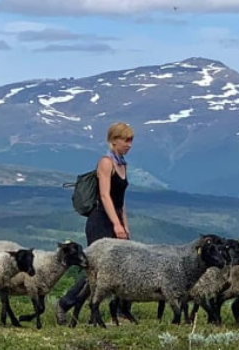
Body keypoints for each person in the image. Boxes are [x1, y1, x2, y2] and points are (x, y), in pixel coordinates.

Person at [56, 122, 134, 325]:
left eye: (130, 140)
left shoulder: (123, 164)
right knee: (96, 268)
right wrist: (116, 225)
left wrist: (125, 225)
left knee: (118, 267)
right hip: (100, 220)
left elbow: (120, 201)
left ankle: (112, 311)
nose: (129, 144)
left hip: (114, 217)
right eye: (125, 140)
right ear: (114, 140)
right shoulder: (106, 163)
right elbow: (105, 195)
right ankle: (66, 303)